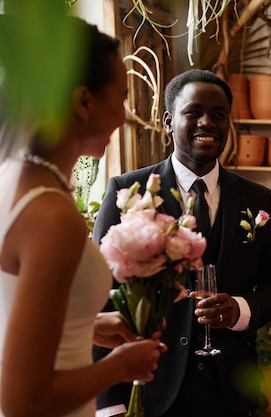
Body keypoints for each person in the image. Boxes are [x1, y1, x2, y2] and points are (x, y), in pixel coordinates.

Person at [93, 68, 271, 417]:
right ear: (169, 121)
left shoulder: (258, 199)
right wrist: (110, 405)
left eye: (219, 115)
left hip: (231, 394)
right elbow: (102, 299)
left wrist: (239, 310)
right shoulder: (129, 192)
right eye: (194, 112)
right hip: (151, 391)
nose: (208, 123)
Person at [0, 16, 163, 417]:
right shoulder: (52, 215)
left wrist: (87, 327)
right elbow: (22, 400)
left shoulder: (13, 178)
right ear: (84, 102)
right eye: (122, 97)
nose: (125, 115)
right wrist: (120, 367)